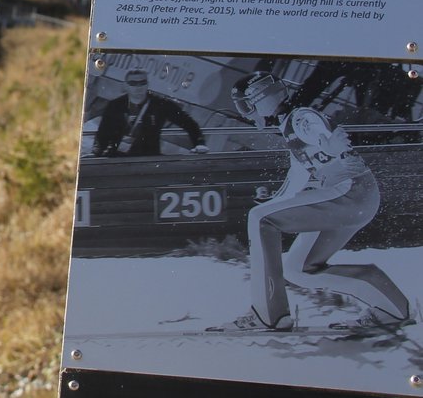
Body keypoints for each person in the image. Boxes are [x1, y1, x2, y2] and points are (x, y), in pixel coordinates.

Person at [214, 71, 410, 332]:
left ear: (261, 99)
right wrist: (275, 199)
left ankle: (268, 315)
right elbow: (298, 175)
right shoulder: (290, 128)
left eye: (246, 106)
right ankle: (390, 307)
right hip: (355, 198)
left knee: (260, 219)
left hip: (350, 192)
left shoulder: (301, 118)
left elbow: (320, 133)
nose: (246, 113)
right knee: (298, 269)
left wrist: (330, 145)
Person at [91, 69, 209, 157]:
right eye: (133, 83)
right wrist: (96, 153)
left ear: (147, 84)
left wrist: (199, 143)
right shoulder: (115, 105)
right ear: (126, 85)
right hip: (118, 158)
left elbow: (188, 123)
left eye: (142, 83)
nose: (138, 87)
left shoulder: (160, 104)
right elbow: (102, 134)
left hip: (148, 159)